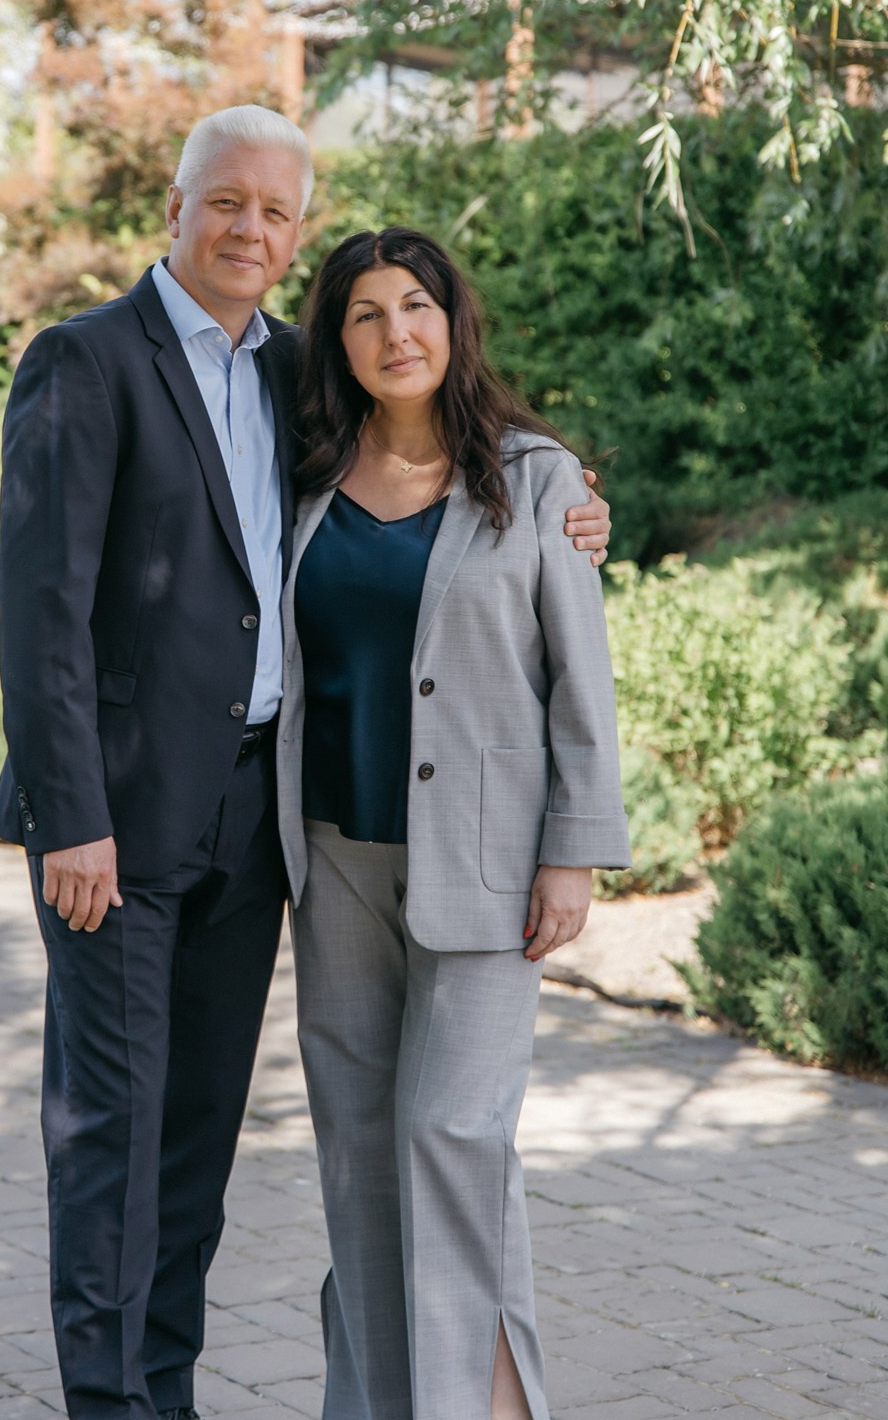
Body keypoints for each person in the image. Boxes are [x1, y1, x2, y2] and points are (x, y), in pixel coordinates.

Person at [0, 107, 613, 1420]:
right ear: (177, 205)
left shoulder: (296, 379)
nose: (251, 231)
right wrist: (70, 817)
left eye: (277, 213)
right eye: (228, 203)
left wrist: (575, 508)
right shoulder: (87, 361)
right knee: (120, 1138)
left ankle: (178, 1392)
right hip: (142, 827)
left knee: (208, 1152)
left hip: (270, 833)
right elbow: (41, 606)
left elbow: (460, 493)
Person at [276, 227, 631, 1420]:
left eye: (416, 306)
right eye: (366, 314)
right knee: (362, 1162)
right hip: (333, 864)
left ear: (453, 319)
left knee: (452, 1137)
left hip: (485, 866)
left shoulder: (537, 479)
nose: (396, 334)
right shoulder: (305, 473)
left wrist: (573, 853)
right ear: (339, 340)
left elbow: (581, 680)